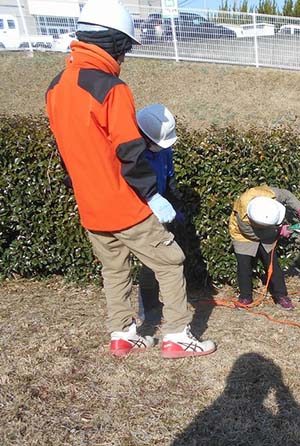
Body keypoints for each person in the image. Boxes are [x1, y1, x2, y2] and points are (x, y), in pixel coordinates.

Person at [45, 0, 215, 358]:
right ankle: (177, 335)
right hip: (125, 205)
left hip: (90, 208)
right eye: (124, 50)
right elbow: (130, 152)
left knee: (115, 269)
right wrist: (152, 195)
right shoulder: (112, 89)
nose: (124, 59)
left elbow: (66, 153)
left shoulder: (56, 88)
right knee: (170, 263)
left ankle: (122, 335)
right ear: (115, 44)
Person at [135, 104, 185, 324]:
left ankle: (154, 303)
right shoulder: (132, 153)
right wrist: (151, 202)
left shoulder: (164, 151)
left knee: (161, 261)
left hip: (161, 210)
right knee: (150, 263)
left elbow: (170, 180)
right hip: (141, 212)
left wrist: (176, 206)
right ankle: (147, 309)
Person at [228, 186, 300, 310]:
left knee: (272, 263)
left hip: (268, 229)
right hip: (242, 234)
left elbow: (288, 195)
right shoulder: (243, 216)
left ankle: (281, 296)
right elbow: (253, 234)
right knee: (244, 265)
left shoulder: (270, 194)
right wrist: (280, 231)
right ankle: (245, 297)